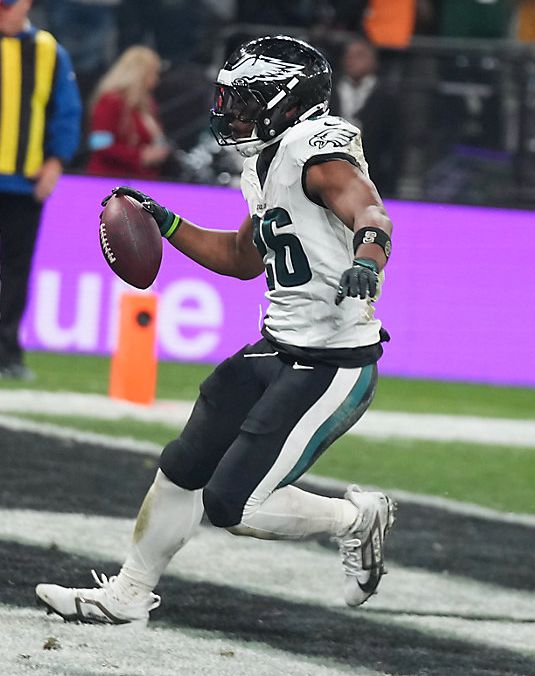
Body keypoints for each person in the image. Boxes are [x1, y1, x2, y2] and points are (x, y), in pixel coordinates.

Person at [35, 35, 397, 625]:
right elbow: (240, 256)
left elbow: (370, 210)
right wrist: (166, 221)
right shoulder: (266, 159)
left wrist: (368, 257)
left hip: (333, 361)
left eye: (247, 99)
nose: (232, 111)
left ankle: (356, 518)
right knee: (184, 464)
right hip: (276, 347)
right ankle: (128, 593)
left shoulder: (316, 148)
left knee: (235, 503)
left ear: (288, 103)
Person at [0, 0, 82, 380]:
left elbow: (67, 111)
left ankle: (8, 353)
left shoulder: (49, 51)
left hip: (21, 185)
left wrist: (55, 161)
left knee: (16, 272)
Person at [330, 37, 404, 198]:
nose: (351, 60)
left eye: (359, 55)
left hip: (372, 174)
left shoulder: (387, 96)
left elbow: (396, 142)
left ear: (374, 61)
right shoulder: (328, 89)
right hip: (329, 172)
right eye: (348, 55)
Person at [85, 45, 170, 179]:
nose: (156, 80)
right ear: (140, 74)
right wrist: (140, 156)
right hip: (109, 180)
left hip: (140, 181)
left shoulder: (148, 105)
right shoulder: (111, 101)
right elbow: (99, 144)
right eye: (153, 74)